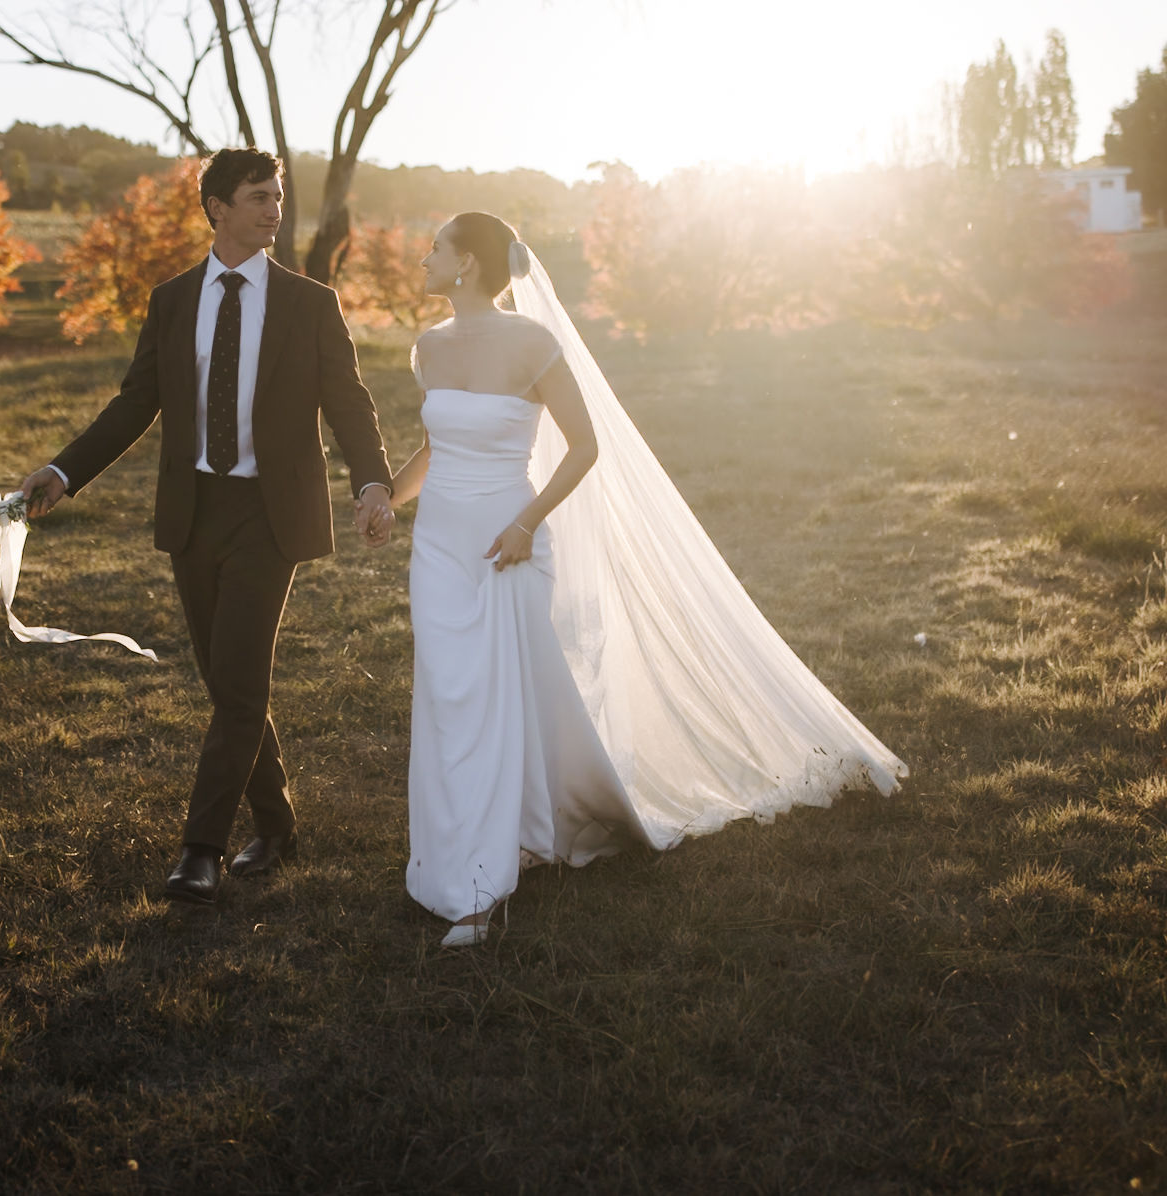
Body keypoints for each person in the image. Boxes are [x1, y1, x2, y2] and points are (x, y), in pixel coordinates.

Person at [378, 212, 903, 947]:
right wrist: (386, 498)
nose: (424, 256)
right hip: (438, 545)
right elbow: (435, 448)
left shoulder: (533, 343)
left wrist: (528, 522)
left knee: (496, 698)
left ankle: (479, 884)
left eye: (435, 246)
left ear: (466, 263)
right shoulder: (426, 348)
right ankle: (493, 836)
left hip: (509, 539)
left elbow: (585, 446)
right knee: (448, 696)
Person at [17, 150, 393, 908]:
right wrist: (63, 471)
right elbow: (135, 402)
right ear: (216, 207)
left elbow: (348, 401)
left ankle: (202, 848)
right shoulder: (172, 301)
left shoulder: (309, 301)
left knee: (241, 678)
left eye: (278, 197)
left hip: (269, 514)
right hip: (193, 512)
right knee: (228, 683)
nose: (274, 211)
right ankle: (279, 822)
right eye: (258, 197)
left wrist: (372, 481)